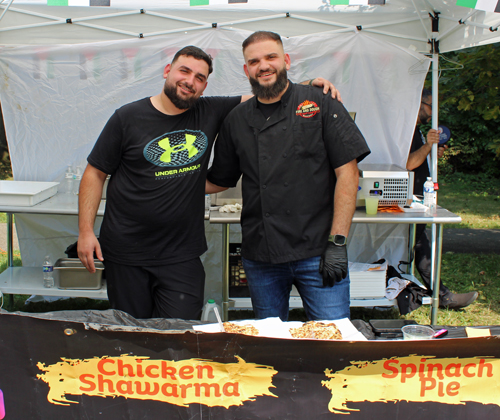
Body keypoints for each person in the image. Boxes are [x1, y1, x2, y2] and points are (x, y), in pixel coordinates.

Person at [77, 45, 340, 320]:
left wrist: (306, 85)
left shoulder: (210, 110)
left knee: (181, 336)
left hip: (181, 254)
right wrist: (85, 231)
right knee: (131, 334)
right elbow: (94, 173)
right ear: (168, 71)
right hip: (126, 251)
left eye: (200, 78)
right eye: (184, 71)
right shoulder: (127, 117)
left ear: (204, 86)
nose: (190, 81)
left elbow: (265, 94)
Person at [207, 31, 370, 321]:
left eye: (271, 57)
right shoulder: (236, 119)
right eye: (254, 61)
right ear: (247, 70)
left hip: (318, 251)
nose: (264, 66)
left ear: (287, 61)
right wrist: (168, 181)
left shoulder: (320, 102)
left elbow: (348, 174)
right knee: (272, 345)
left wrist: (338, 242)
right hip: (262, 255)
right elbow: (220, 179)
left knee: (331, 340)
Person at [406, 88, 478, 309]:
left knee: (420, 247)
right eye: (430, 106)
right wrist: (428, 146)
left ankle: (439, 294)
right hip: (408, 200)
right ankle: (443, 296)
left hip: (415, 199)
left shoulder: (417, 130)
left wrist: (430, 150)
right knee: (421, 248)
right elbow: (408, 163)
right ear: (419, 102)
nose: (432, 112)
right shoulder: (408, 129)